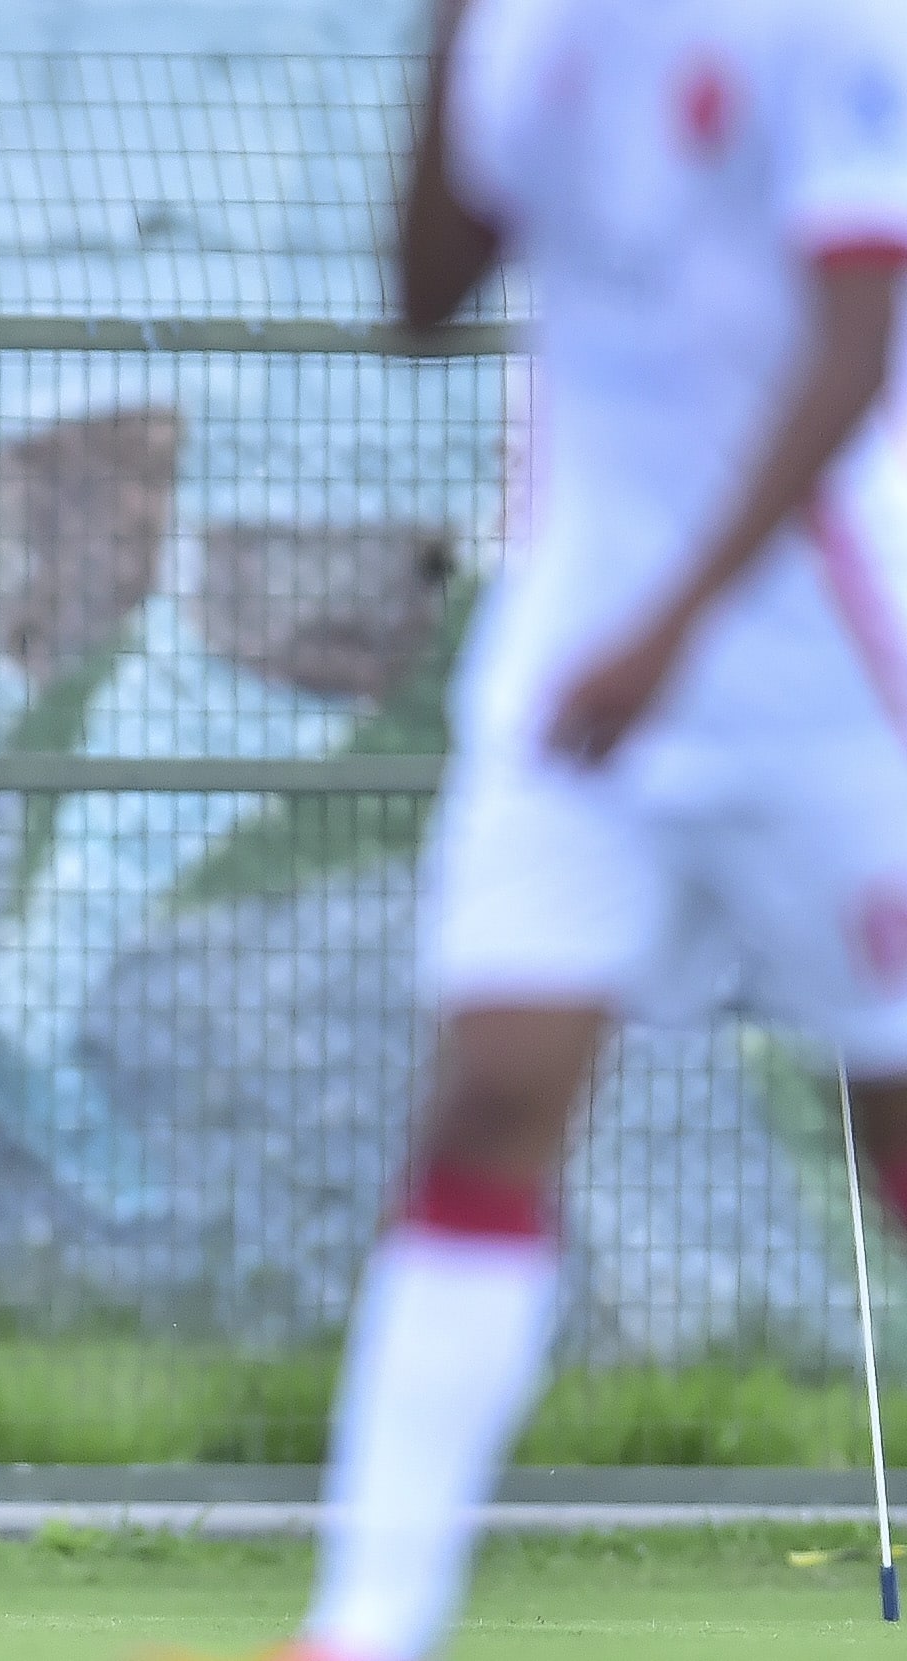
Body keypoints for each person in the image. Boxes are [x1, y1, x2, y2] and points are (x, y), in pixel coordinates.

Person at [268, 4, 907, 1658]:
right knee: (488, 1096)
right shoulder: (530, 26)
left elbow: (856, 347)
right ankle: (366, 1628)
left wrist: (676, 625)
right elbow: (419, 302)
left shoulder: (831, 27)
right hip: (577, 669)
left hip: (825, 667)